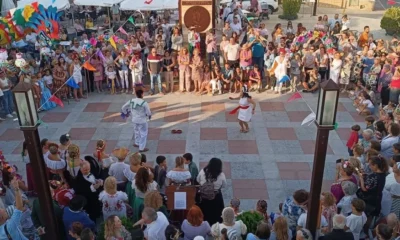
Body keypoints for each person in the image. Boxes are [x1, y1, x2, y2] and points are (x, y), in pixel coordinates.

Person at [197, 158, 227, 225]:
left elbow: (198, 180)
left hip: (204, 196)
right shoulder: (221, 175)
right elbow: (224, 185)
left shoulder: (203, 172)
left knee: (205, 211)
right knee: (217, 212)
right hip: (216, 196)